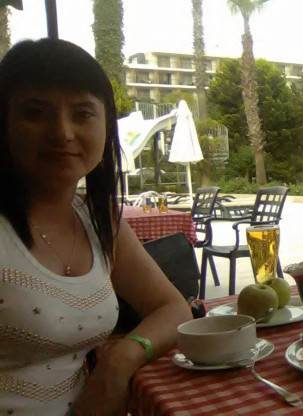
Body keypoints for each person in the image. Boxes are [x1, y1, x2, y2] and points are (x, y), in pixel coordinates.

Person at [0, 39, 192, 414]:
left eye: (83, 113)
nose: (62, 132)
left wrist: (122, 358)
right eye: (35, 113)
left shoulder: (99, 219)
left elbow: (173, 308)